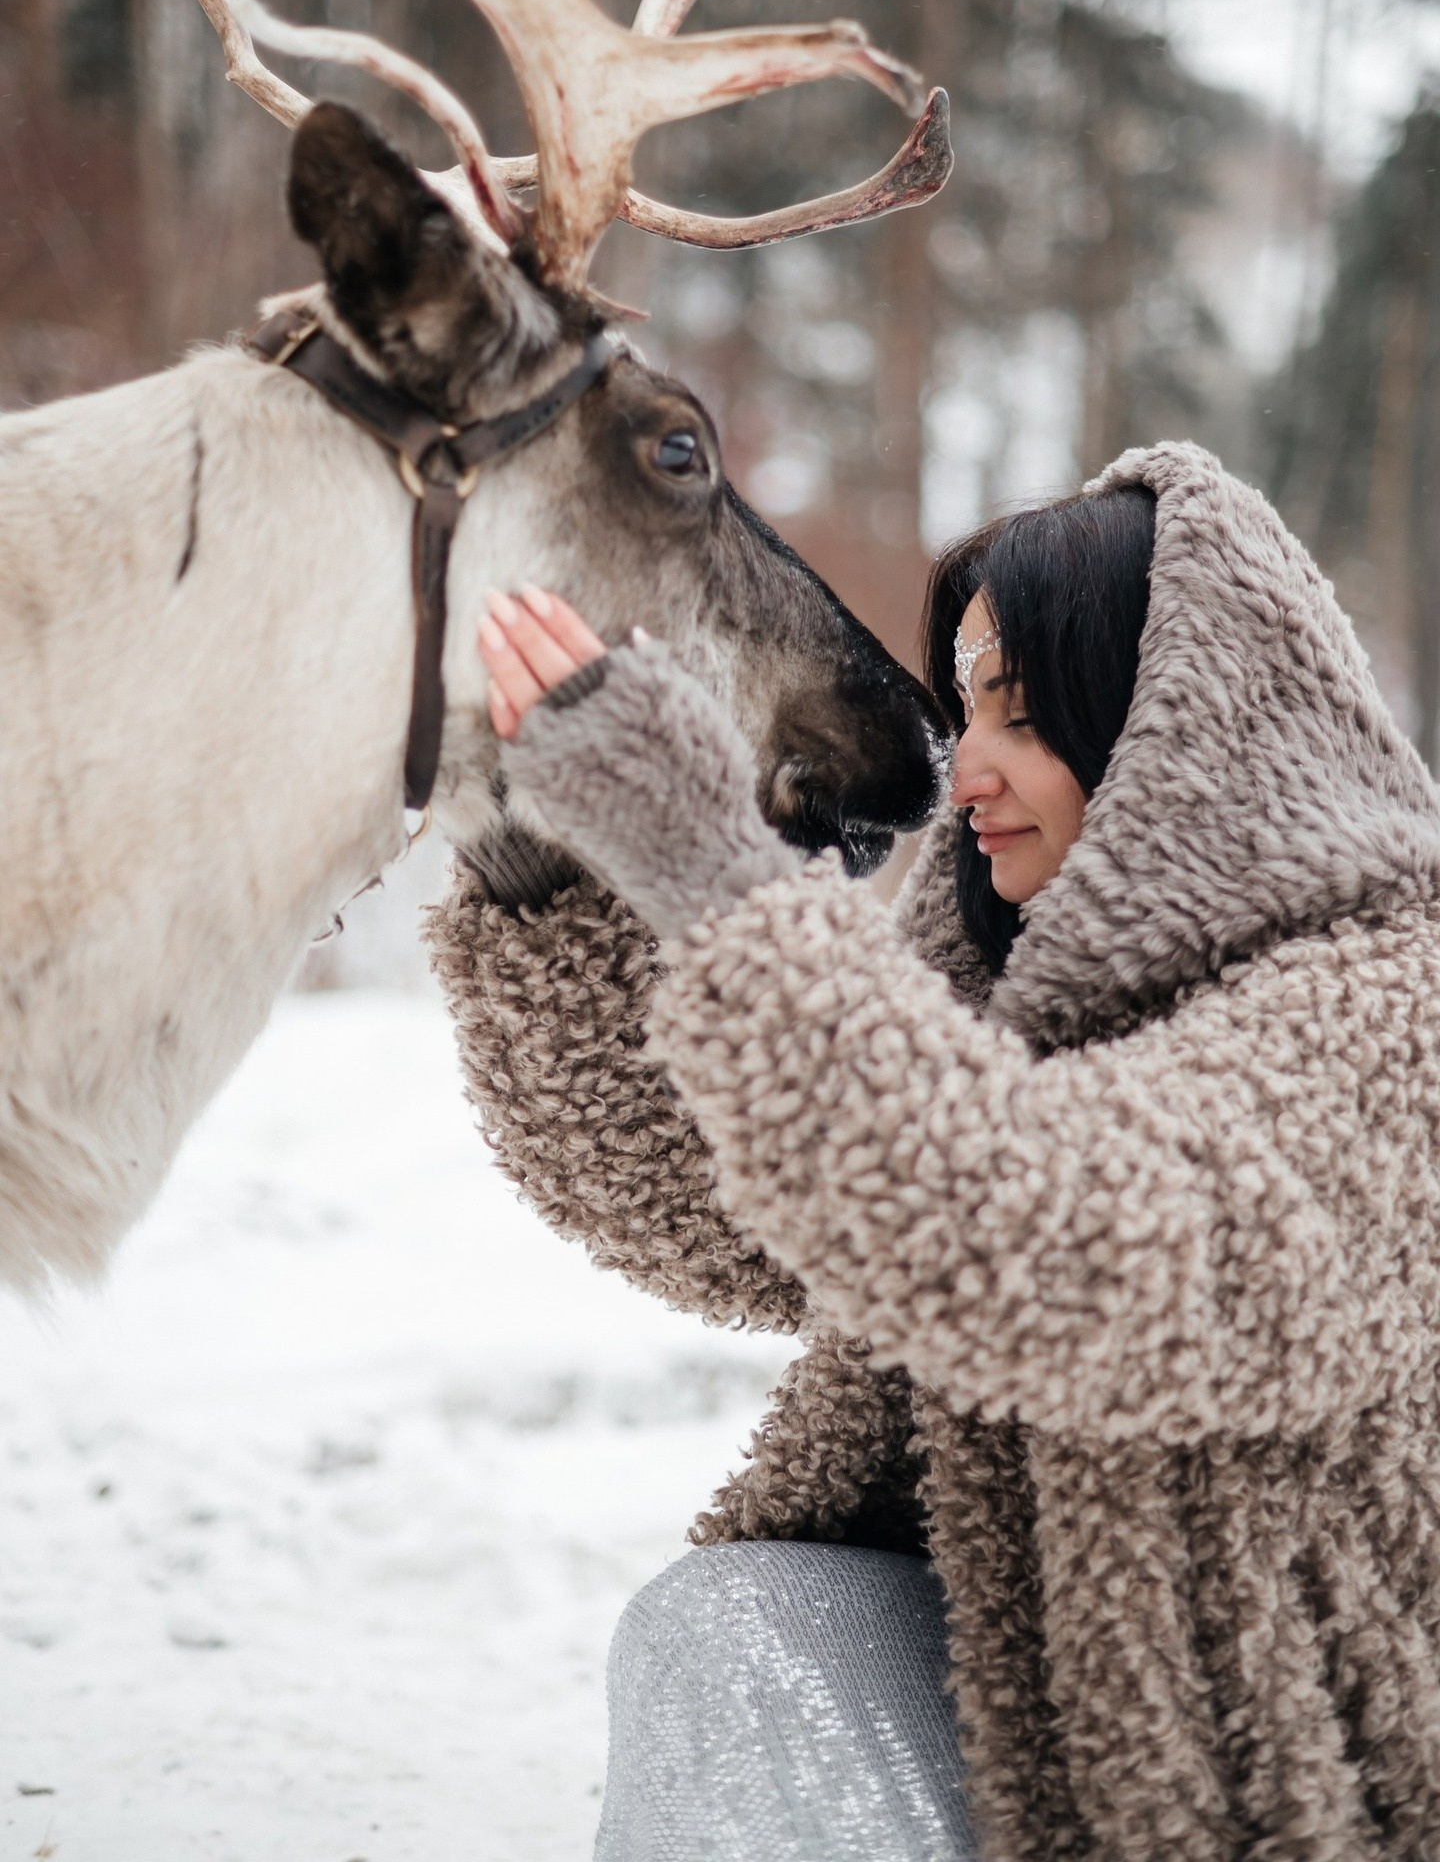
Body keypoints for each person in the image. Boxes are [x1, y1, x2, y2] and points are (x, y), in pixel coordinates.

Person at [428, 441, 1440, 1862]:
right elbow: (737, 1197)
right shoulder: (1010, 987)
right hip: (1022, 1722)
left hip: (1262, 1809)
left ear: (1180, 729)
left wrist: (711, 865)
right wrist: (536, 855)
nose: (964, 769)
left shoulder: (1387, 1010)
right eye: (966, 710)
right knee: (732, 1630)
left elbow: (1065, 1250)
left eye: (1019, 715)